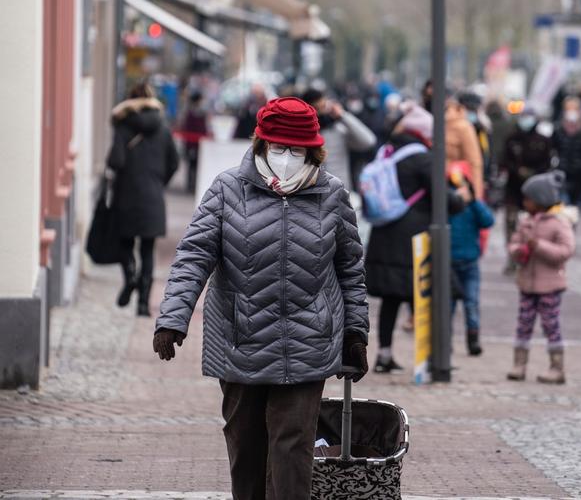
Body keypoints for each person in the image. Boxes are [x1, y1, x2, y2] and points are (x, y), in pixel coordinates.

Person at [152, 96, 369, 499]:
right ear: (260, 144)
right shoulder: (227, 189)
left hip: (309, 341)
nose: (287, 157)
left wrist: (355, 332)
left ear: (313, 150)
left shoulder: (332, 195)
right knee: (246, 449)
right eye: (278, 147)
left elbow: (350, 269)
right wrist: (172, 319)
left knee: (292, 448)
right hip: (240, 339)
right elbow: (193, 256)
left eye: (297, 150)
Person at [365, 104, 467, 373]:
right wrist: (461, 199)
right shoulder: (423, 158)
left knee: (391, 299)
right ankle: (431, 358)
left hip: (385, 234)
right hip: (415, 239)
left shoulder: (387, 152)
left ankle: (384, 355)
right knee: (424, 296)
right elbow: (443, 199)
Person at [108, 82, 178, 317]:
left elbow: (115, 161)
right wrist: (159, 182)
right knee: (148, 251)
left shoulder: (122, 126)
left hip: (126, 195)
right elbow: (174, 162)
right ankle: (143, 305)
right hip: (153, 197)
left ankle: (130, 277)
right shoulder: (163, 129)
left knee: (125, 244)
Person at [506, 171, 576, 384]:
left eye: (528, 198)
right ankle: (519, 364)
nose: (524, 202)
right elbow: (513, 244)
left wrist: (539, 246)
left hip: (550, 286)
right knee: (523, 324)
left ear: (540, 200)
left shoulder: (559, 223)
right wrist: (518, 250)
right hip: (527, 284)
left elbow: (566, 251)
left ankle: (557, 367)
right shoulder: (525, 222)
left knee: (550, 325)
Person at [448, 160, 495, 356]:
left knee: (471, 303)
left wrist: (474, 201)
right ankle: (445, 341)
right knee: (447, 306)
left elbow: (488, 221)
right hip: (449, 264)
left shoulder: (474, 206)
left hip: (470, 264)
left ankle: (473, 339)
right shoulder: (447, 207)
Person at [503, 112, 554, 273]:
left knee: (537, 226)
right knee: (511, 224)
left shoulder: (542, 140)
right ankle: (513, 259)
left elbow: (547, 163)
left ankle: (534, 258)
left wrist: (533, 173)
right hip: (513, 189)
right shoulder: (512, 139)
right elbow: (504, 160)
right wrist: (517, 170)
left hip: (536, 194)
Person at [302, 88, 376, 193]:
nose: (321, 113)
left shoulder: (338, 129)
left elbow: (369, 141)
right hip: (311, 196)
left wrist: (342, 115)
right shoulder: (302, 134)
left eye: (323, 106)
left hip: (339, 196)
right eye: (316, 108)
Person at [552, 97, 581, 214]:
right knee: (564, 202)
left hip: (580, 170)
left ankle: (580, 205)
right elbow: (553, 147)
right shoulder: (558, 128)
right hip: (563, 168)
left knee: (577, 200)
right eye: (569, 108)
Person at [446, 98, 485, 199]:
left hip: (455, 185)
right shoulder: (428, 120)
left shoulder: (464, 127)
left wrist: (476, 195)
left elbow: (474, 161)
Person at [179, 90, 211, 193]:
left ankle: (193, 185)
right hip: (192, 143)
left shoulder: (197, 113)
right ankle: (191, 185)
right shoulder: (192, 113)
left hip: (197, 143)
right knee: (192, 164)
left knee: (195, 165)